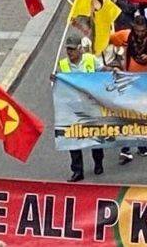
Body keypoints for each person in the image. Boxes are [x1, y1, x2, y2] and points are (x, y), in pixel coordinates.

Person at [107, 15, 147, 162]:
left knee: (142, 116)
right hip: (129, 82)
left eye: (142, 31)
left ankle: (141, 144)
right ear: (133, 27)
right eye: (137, 30)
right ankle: (126, 148)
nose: (139, 34)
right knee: (128, 116)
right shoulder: (125, 36)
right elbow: (107, 39)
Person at [54, 33, 104, 181]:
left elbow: (102, 71)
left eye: (72, 49)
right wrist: (55, 79)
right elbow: (58, 84)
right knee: (73, 138)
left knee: (96, 136)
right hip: (72, 109)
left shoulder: (90, 59)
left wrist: (112, 70)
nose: (69, 52)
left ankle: (98, 162)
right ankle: (77, 171)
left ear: (80, 49)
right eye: (67, 49)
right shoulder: (63, 64)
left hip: (91, 107)